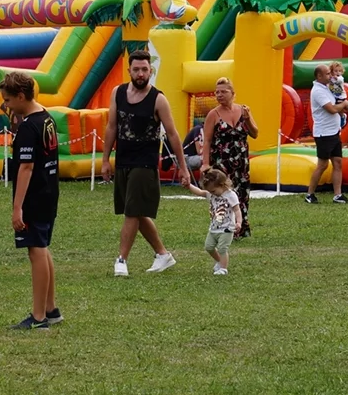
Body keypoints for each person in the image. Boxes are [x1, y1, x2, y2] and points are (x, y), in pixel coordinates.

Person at [103, 49, 191, 277]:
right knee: (137, 211)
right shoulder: (118, 93)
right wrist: (105, 160)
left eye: (145, 69)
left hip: (145, 163)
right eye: (136, 69)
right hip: (123, 161)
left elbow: (172, 134)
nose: (141, 74)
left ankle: (121, 259)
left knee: (132, 212)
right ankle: (163, 255)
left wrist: (183, 168)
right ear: (129, 70)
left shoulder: (158, 99)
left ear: (151, 70)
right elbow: (112, 127)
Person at [1, 71, 61, 330]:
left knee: (35, 251)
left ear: (21, 96)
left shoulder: (29, 126)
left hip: (34, 197)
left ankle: (38, 317)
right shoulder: (46, 117)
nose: (7, 106)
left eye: (9, 100)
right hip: (49, 192)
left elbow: (25, 168)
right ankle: (51, 309)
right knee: (43, 248)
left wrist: (17, 208)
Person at [202, 77, 259, 237]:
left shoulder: (243, 110)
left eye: (223, 92)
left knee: (241, 193)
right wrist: (205, 163)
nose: (219, 95)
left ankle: (241, 228)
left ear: (233, 93)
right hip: (221, 161)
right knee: (223, 194)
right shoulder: (213, 114)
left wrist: (247, 119)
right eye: (217, 92)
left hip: (241, 161)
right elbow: (206, 141)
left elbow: (255, 133)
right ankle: (222, 228)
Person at [306, 64, 348, 204]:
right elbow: (331, 109)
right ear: (319, 76)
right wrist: (345, 105)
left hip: (334, 131)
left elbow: (338, 99)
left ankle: (337, 195)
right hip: (324, 133)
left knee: (338, 163)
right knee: (322, 165)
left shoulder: (328, 87)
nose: (330, 76)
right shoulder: (317, 91)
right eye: (327, 74)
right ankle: (310, 194)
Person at [187, 168, 241, 276]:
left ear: (222, 185)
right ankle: (219, 261)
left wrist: (239, 222)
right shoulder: (211, 193)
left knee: (222, 248)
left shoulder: (230, 195)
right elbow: (200, 192)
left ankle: (223, 268)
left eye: (213, 191)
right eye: (210, 191)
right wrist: (188, 185)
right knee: (209, 247)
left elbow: (237, 209)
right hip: (214, 227)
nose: (212, 193)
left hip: (227, 228)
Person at [328, 61, 348, 129]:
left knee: (339, 109)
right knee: (334, 110)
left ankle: (343, 117)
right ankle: (338, 120)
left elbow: (339, 80)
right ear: (332, 71)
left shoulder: (340, 78)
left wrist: (335, 77)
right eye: (336, 71)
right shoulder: (330, 78)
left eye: (340, 71)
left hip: (341, 97)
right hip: (334, 97)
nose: (338, 73)